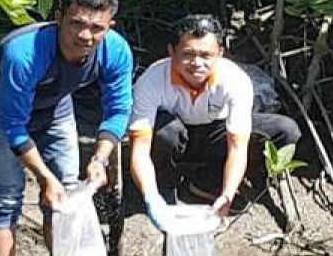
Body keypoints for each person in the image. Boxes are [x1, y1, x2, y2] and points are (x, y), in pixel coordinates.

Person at [0, 0, 133, 256]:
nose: (85, 36)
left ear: (109, 26)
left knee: (67, 194)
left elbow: (118, 110)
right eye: (76, 24)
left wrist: (100, 158)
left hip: (55, 106)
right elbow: (13, 126)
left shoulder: (115, 49)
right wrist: (44, 177)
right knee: (5, 197)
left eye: (96, 28)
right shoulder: (24, 53)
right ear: (59, 17)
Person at [128, 14, 301, 222]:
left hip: (215, 133)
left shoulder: (235, 80)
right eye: (188, 54)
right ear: (172, 52)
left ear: (220, 53)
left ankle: (212, 180)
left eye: (206, 55)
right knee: (167, 133)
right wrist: (150, 197)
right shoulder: (152, 79)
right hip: (174, 135)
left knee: (286, 130)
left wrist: (227, 194)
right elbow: (139, 146)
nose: (196, 63)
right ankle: (163, 183)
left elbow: (237, 146)